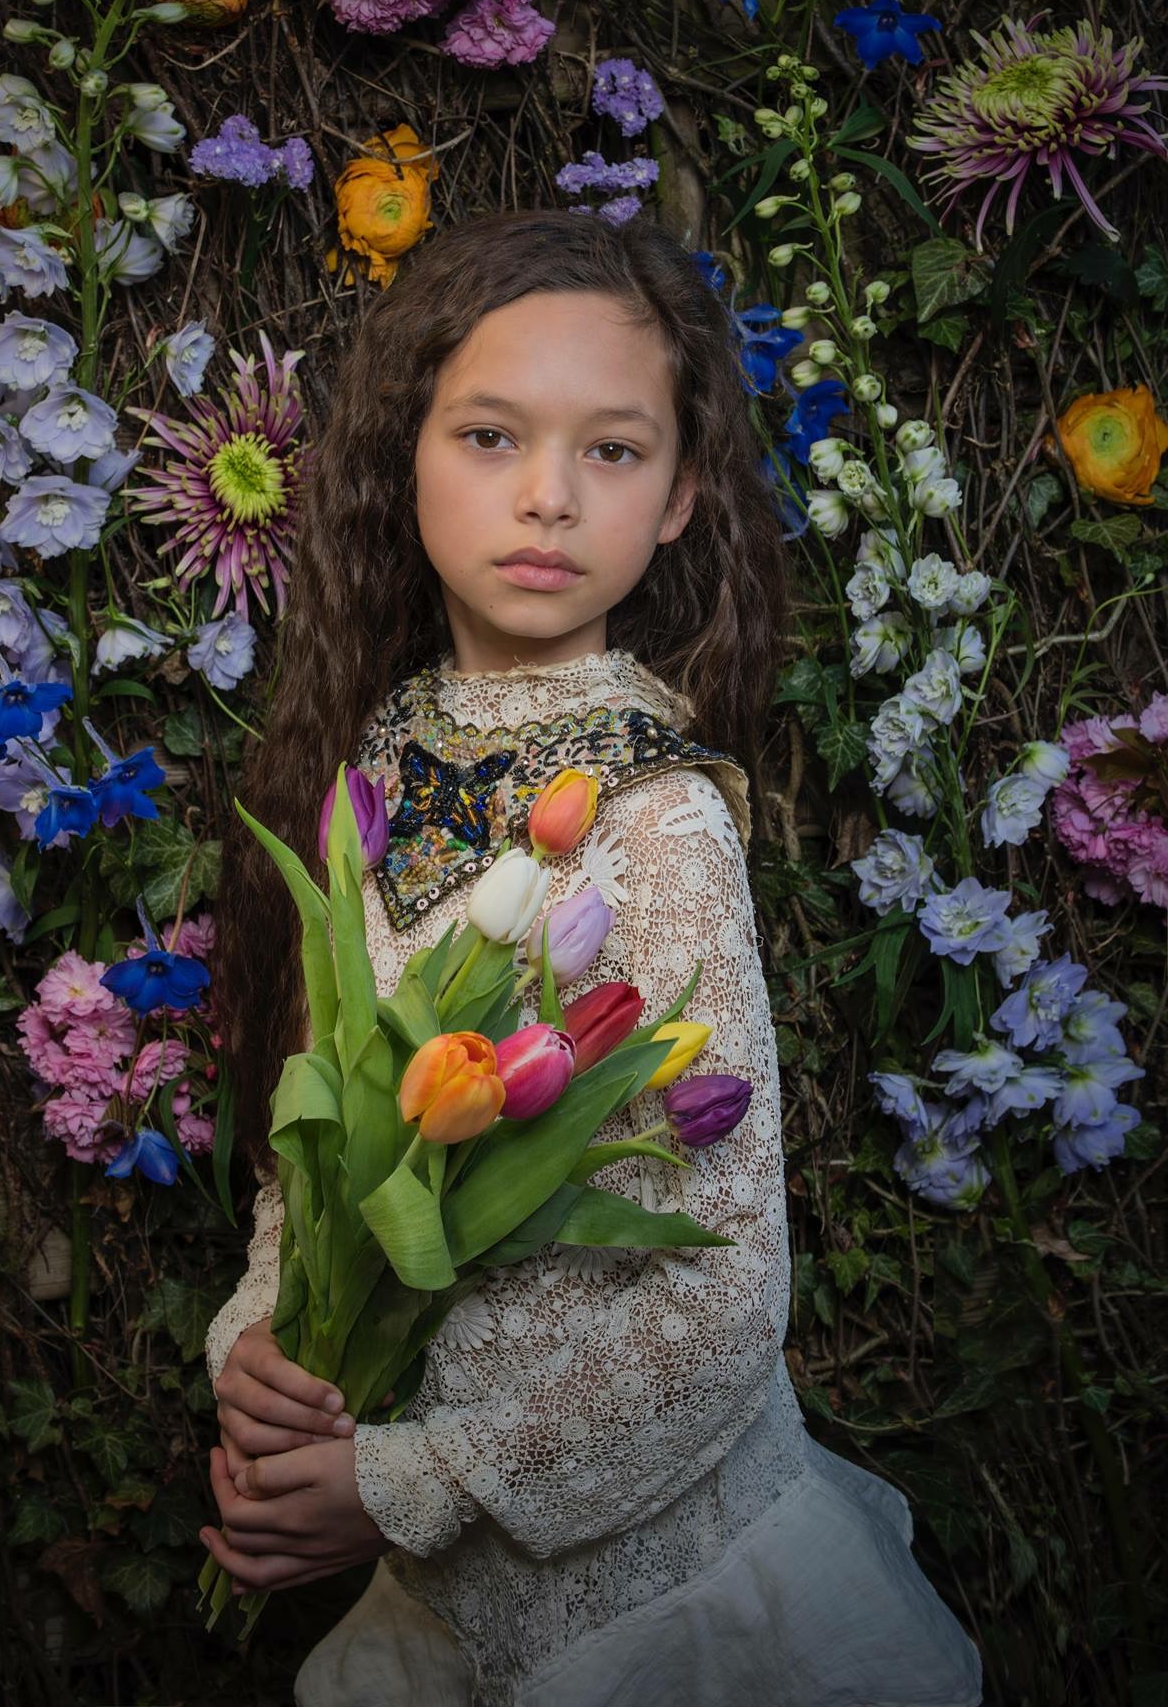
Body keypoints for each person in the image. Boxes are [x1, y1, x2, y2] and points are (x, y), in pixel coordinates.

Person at [200, 209, 984, 1707]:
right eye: (491, 436)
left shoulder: (654, 818)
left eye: (612, 451)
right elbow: (317, 1168)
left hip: (666, 1611)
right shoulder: (368, 776)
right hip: (448, 1613)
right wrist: (266, 1356)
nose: (548, 497)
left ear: (682, 497)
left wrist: (409, 1484)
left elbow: (721, 1303)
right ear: (404, 452)